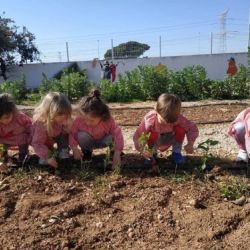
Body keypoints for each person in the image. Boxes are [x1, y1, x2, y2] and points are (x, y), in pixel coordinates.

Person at [133, 93, 199, 167]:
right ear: (156, 110)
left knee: (180, 129)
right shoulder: (150, 119)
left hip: (171, 137)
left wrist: (190, 144)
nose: (167, 124)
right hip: (155, 140)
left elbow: (192, 128)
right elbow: (140, 134)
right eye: (164, 121)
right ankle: (152, 154)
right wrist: (142, 149)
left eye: (171, 121)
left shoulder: (179, 119)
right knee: (150, 132)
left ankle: (176, 153)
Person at [70, 89, 124, 169]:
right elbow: (72, 133)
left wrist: (117, 152)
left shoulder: (108, 120)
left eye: (91, 120)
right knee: (81, 135)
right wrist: (74, 148)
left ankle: (113, 152)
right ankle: (87, 152)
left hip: (103, 141)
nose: (87, 123)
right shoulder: (78, 120)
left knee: (112, 136)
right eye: (85, 119)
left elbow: (117, 134)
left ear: (102, 116)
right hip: (88, 142)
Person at [31, 92, 72, 168]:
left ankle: (63, 151)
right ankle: (47, 154)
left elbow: (68, 133)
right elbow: (37, 143)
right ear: (48, 112)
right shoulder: (41, 123)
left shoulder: (62, 120)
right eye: (60, 114)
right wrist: (48, 156)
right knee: (44, 161)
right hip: (43, 141)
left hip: (56, 135)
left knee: (64, 135)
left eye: (66, 113)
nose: (64, 117)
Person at [0, 93, 32, 165]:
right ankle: (3, 156)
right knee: (1, 145)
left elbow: (29, 124)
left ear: (13, 111)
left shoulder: (19, 117)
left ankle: (23, 155)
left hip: (18, 138)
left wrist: (27, 131)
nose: (4, 121)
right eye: (0, 119)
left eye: (7, 117)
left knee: (23, 138)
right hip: (4, 140)